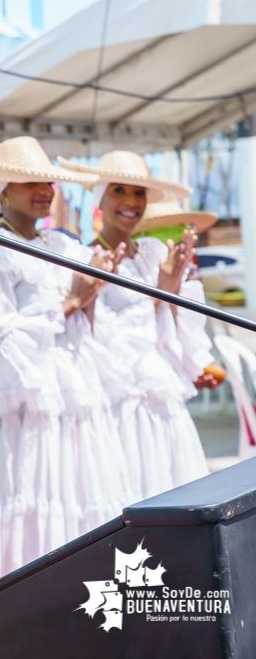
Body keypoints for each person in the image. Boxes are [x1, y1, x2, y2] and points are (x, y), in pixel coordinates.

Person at [0, 136, 133, 580]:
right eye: (31, 180)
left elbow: (88, 317)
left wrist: (90, 297)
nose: (44, 189)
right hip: (23, 396)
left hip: (71, 388)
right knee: (27, 489)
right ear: (3, 191)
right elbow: (1, 333)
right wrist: (69, 303)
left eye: (49, 181)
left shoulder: (63, 245)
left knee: (77, 489)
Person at [59, 151, 222, 498]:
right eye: (119, 190)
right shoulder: (81, 257)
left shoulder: (153, 254)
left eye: (139, 192)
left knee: (175, 491)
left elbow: (165, 329)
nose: (131, 201)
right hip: (113, 397)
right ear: (100, 197)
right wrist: (157, 294)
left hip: (159, 392)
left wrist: (168, 290)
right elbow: (91, 334)